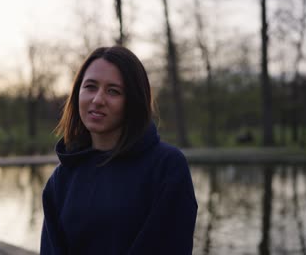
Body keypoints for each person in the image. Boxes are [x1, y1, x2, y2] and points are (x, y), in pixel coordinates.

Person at [40, 46, 197, 255]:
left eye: (113, 91)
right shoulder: (61, 179)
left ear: (133, 100)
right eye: (90, 87)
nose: (97, 100)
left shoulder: (166, 167)